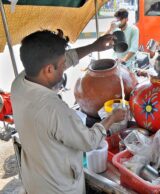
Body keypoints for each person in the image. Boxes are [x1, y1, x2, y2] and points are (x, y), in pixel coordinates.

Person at [10, 30, 127, 194]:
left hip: (34, 179)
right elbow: (89, 141)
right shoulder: (54, 109)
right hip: (59, 188)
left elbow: (62, 59)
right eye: (63, 64)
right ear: (49, 70)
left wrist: (94, 47)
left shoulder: (19, 83)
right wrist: (112, 118)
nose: (65, 67)